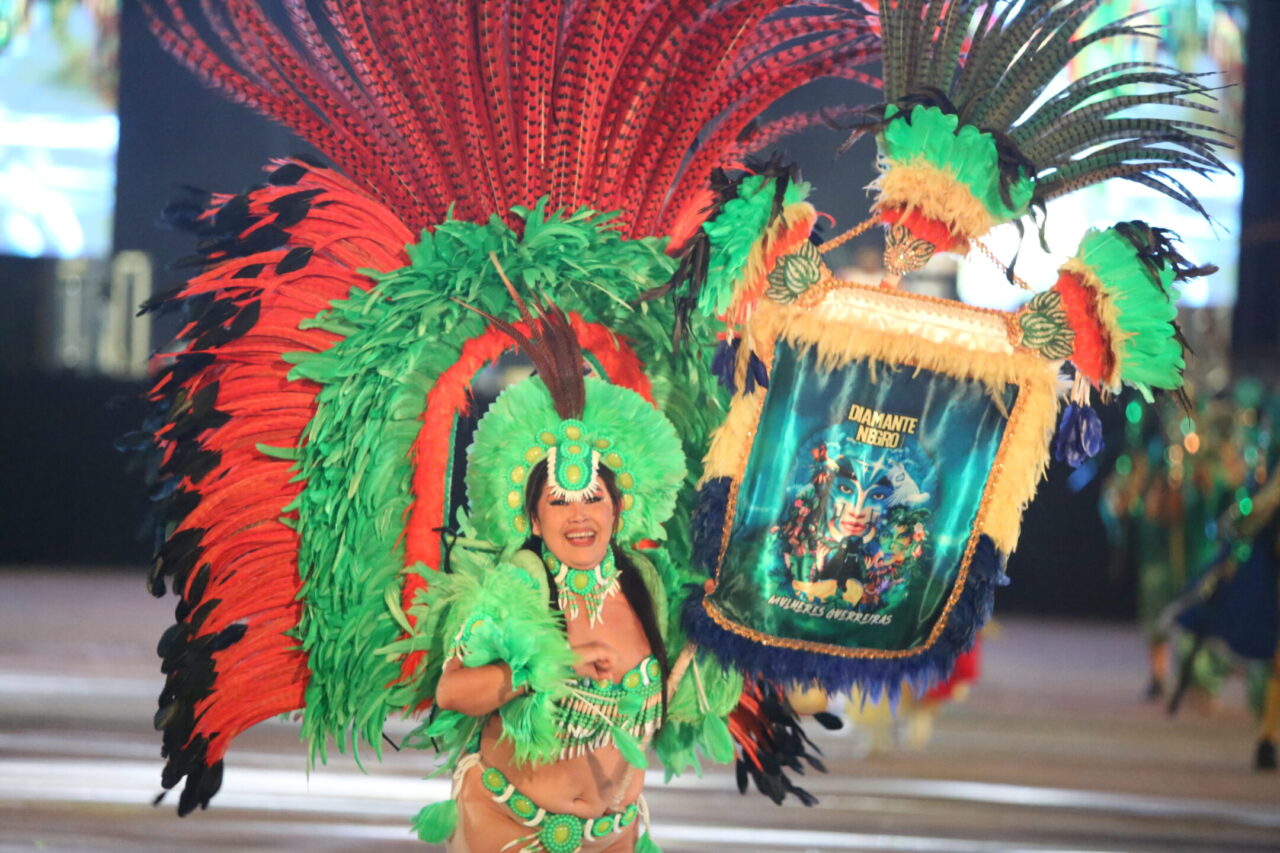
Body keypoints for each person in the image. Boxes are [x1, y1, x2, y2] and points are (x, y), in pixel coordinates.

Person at [401, 301, 743, 852]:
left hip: (614, 834)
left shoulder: (649, 584)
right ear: (534, 519)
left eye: (593, 498)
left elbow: (686, 703)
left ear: (618, 509)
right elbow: (452, 691)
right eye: (559, 502)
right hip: (510, 828)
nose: (579, 516)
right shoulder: (518, 584)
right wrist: (546, 669)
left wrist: (721, 630)